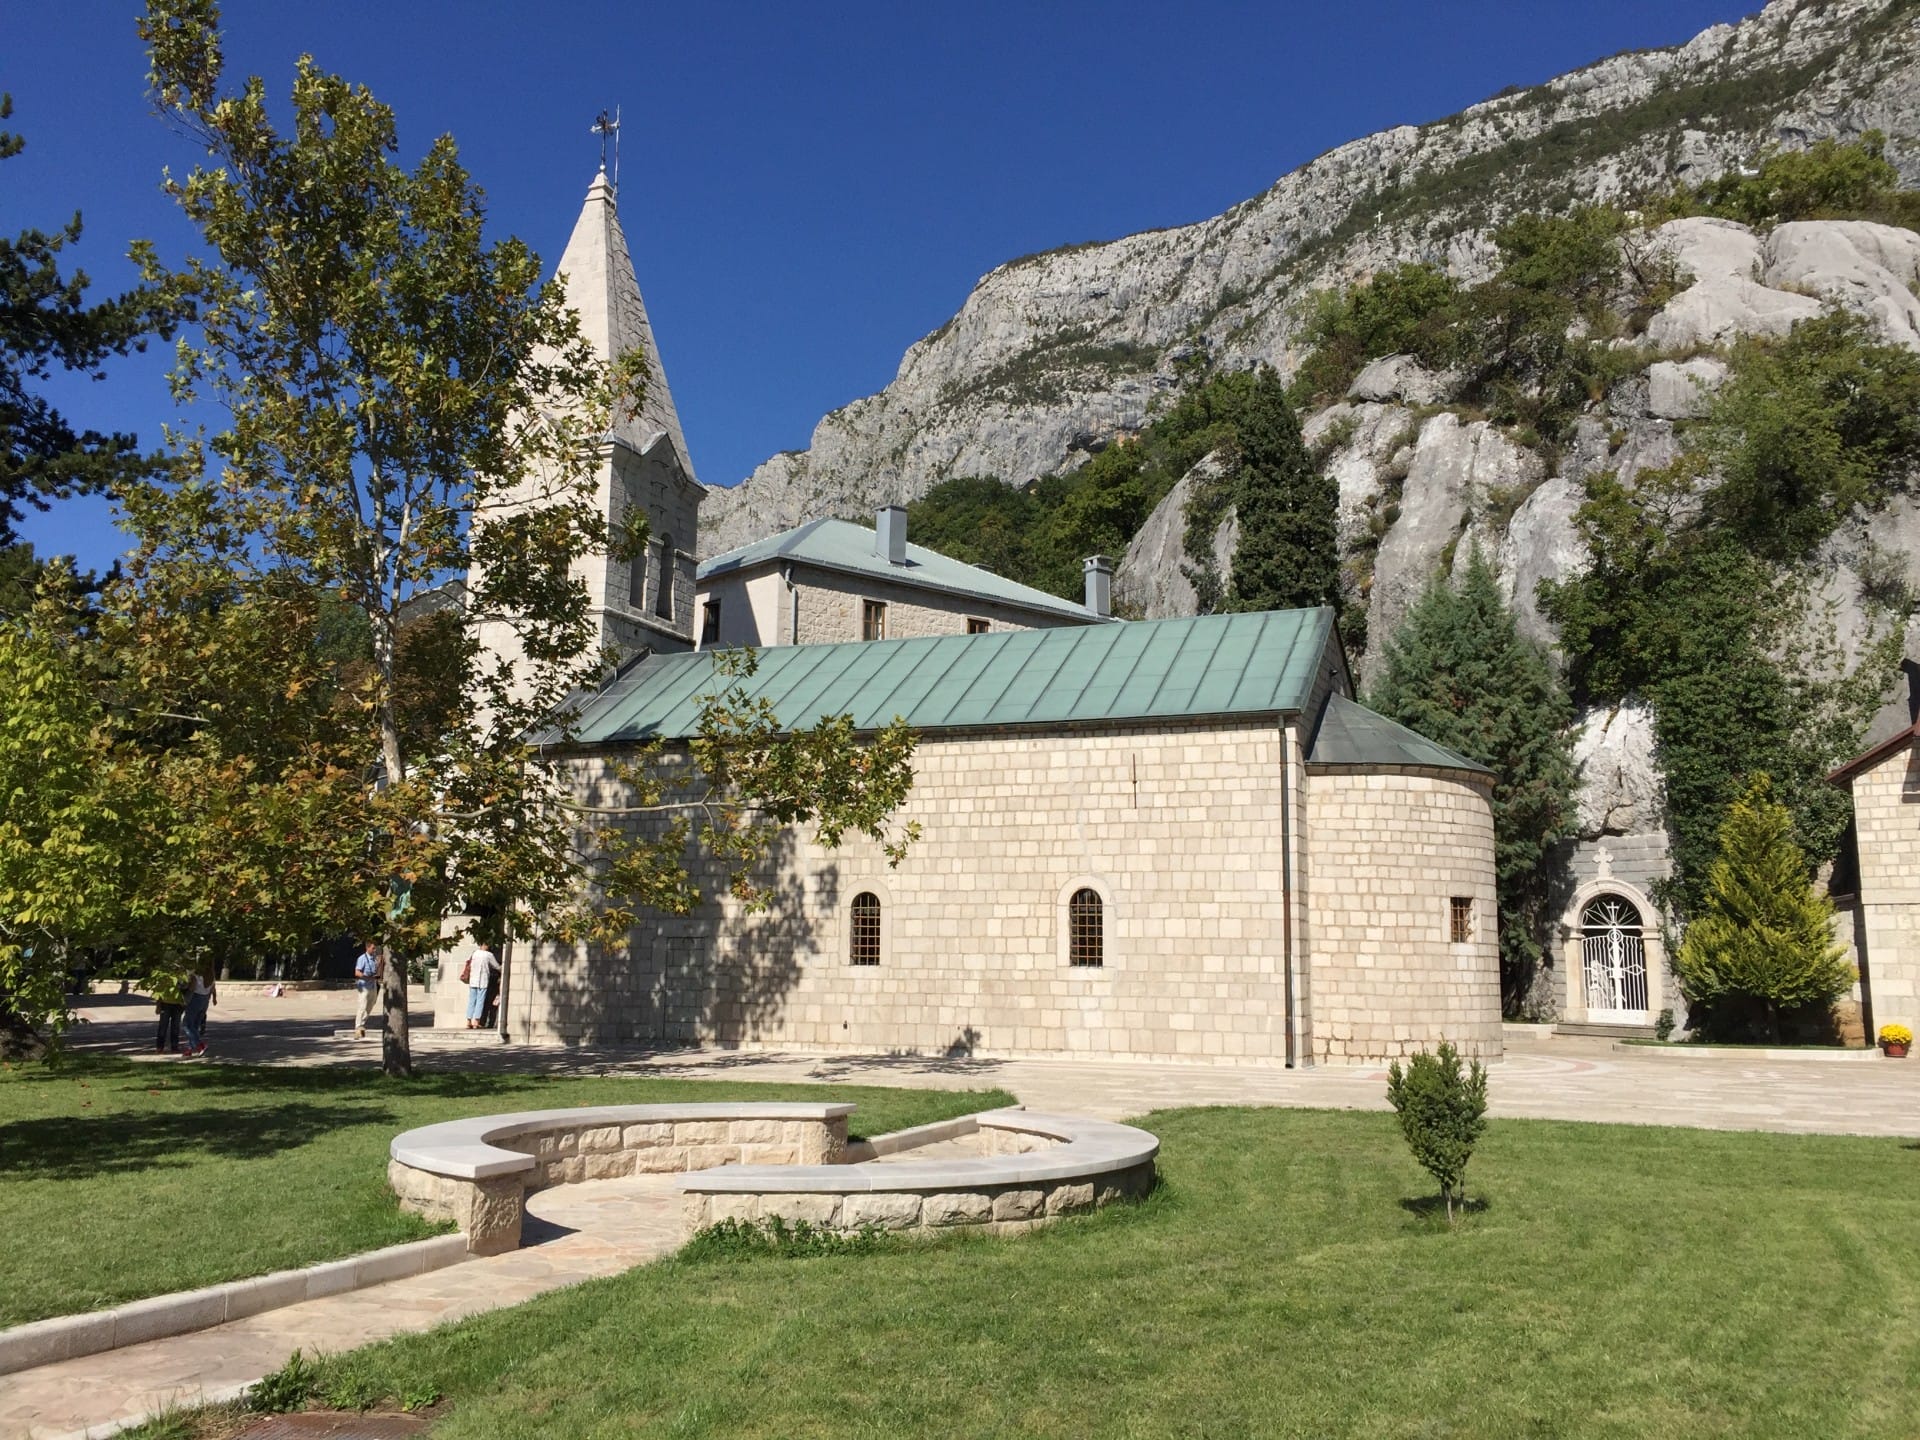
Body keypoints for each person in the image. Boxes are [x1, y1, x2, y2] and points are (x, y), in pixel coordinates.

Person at [181, 964, 217, 1057]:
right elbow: (212, 988)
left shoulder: (195, 975)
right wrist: (213, 998)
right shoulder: (210, 976)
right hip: (205, 999)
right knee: (195, 1026)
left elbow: (192, 987)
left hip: (196, 998)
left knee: (187, 1024)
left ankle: (200, 1045)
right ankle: (190, 1049)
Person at [463, 942, 496, 1029]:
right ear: (485, 945)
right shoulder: (489, 955)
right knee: (480, 1001)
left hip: (473, 980)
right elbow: (496, 966)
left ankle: (468, 1021)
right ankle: (476, 1022)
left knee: (472, 1001)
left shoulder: (474, 953)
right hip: (483, 981)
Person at [153, 970, 186, 1055]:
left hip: (178, 1005)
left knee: (175, 1027)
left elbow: (186, 990)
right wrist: (158, 1005)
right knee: (163, 1027)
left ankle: (174, 1047)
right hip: (165, 1003)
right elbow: (159, 992)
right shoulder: (164, 977)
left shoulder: (182, 977)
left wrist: (184, 1004)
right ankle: (159, 1047)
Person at [353, 941, 382, 1038]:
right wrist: (367, 977)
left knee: (371, 1004)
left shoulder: (374, 959)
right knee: (362, 1005)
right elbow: (357, 973)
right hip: (364, 985)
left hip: (373, 984)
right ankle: (358, 1026)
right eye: (373, 948)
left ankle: (362, 1023)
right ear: (367, 948)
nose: (374, 950)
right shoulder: (362, 958)